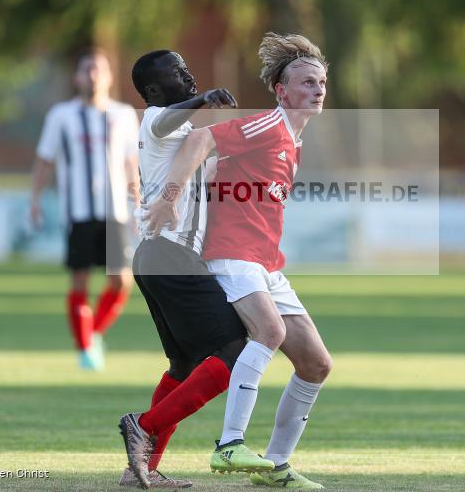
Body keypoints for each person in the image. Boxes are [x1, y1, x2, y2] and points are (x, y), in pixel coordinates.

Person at [145, 33, 333, 489]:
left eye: (322, 82)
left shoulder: (293, 142)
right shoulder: (269, 126)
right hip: (232, 255)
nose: (318, 89)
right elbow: (202, 140)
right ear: (281, 91)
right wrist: (170, 196)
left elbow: (220, 173)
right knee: (269, 332)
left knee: (316, 364)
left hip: (266, 263)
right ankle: (229, 445)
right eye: (306, 82)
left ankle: (277, 467)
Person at [117, 50, 251, 489]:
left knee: (183, 364)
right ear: (154, 90)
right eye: (177, 72)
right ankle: (145, 426)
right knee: (235, 350)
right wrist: (203, 98)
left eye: (187, 66)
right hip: (170, 257)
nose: (189, 74)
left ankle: (143, 469)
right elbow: (167, 119)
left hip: (156, 257)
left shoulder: (180, 132)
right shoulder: (155, 119)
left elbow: (208, 172)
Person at [30, 48, 139, 371]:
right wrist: (34, 199)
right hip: (76, 212)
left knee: (121, 282)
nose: (92, 75)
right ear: (77, 77)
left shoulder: (123, 114)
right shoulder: (61, 116)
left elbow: (131, 162)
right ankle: (85, 350)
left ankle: (90, 335)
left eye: (98, 69)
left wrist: (138, 201)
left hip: (115, 210)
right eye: (86, 69)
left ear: (108, 76)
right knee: (80, 282)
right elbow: (45, 160)